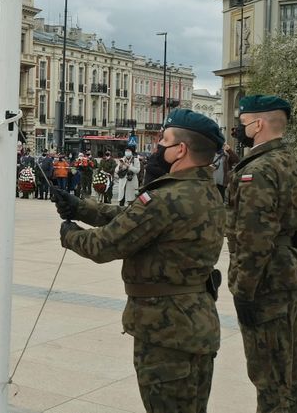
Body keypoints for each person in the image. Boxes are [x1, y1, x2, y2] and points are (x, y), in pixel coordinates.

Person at [53, 109, 225, 413]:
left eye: (164, 141)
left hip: (165, 331)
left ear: (180, 150)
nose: (158, 146)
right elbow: (131, 219)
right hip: (196, 323)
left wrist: (70, 234)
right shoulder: (207, 191)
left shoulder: (165, 197)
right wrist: (82, 208)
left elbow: (106, 244)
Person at [228, 95, 297, 413]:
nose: (239, 129)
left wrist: (244, 290)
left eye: (242, 123)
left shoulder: (259, 169)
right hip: (290, 272)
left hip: (266, 284)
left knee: (270, 379)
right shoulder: (288, 161)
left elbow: (253, 238)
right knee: (291, 375)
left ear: (258, 124)